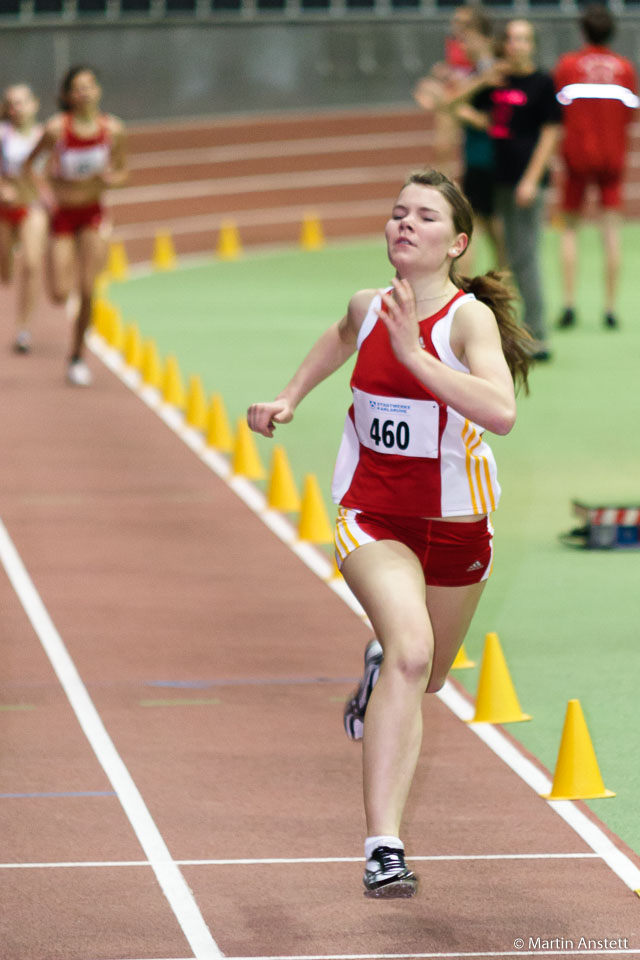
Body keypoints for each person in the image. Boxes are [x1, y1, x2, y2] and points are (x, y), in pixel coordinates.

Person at [248, 169, 532, 898]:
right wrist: (288, 396)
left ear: (456, 243)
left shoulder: (467, 320)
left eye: (426, 216)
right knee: (412, 657)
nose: (405, 223)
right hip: (372, 517)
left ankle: (379, 661)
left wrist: (415, 358)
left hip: (459, 527)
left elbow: (500, 411)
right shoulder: (367, 306)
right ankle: (384, 847)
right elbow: (338, 339)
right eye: (398, 212)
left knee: (430, 674)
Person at [449, 20, 562, 359]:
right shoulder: (498, 80)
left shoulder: (542, 83)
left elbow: (550, 133)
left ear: (533, 44)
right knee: (507, 259)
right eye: (511, 39)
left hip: (525, 184)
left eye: (524, 39)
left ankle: (537, 334)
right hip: (497, 181)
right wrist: (481, 80)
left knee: (524, 258)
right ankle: (507, 331)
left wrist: (531, 178)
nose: (516, 45)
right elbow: (454, 105)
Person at [24, 65, 128, 386]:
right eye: (77, 88)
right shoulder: (57, 129)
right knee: (59, 294)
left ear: (98, 90)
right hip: (64, 216)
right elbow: (30, 165)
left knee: (88, 290)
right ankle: (54, 264)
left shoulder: (113, 129)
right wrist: (44, 194)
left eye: (90, 86)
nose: (84, 92)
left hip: (93, 214)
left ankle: (77, 355)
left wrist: (112, 178)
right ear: (68, 95)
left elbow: (124, 170)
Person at [554, 4, 638, 330]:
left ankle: (569, 303)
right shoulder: (625, 68)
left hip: (576, 160)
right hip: (612, 160)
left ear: (582, 31)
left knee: (569, 229)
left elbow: (557, 110)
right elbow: (630, 113)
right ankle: (610, 307)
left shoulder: (568, 65)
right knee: (611, 231)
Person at [416, 7, 507, 274]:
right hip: (478, 159)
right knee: (486, 227)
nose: (462, 45)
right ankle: (498, 283)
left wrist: (450, 103)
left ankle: (471, 289)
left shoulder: (491, 72)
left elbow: (488, 120)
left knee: (473, 228)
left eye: (466, 38)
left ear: (483, 37)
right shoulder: (479, 72)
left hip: (489, 159)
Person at [0, 84, 47, 354]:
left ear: (34, 104)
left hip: (33, 207)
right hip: (5, 209)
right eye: (11, 104)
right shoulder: (2, 135)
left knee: (31, 262)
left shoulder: (45, 136)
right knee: (5, 273)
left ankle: (23, 327)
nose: (17, 109)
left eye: (22, 102)